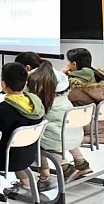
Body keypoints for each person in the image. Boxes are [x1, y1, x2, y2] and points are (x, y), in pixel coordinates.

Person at [14, 52, 90, 183]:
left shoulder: (33, 81)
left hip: (55, 136)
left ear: (27, 68)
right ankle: (80, 163)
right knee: (58, 127)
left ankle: (47, 176)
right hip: (75, 131)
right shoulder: (60, 75)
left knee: (31, 135)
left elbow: (25, 104)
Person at [0, 63, 45, 184]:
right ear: (25, 83)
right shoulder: (37, 104)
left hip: (5, 159)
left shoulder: (3, 109)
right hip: (29, 154)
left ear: (3, 84)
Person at [65, 47, 104, 148]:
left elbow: (63, 96)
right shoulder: (99, 76)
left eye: (68, 63)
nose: (67, 65)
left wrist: (62, 76)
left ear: (74, 64)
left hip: (90, 130)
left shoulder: (76, 84)